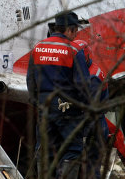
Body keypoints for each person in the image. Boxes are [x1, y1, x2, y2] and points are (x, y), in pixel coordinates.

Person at [26, 11, 93, 179]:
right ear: (69, 30)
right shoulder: (73, 50)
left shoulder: (38, 48)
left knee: (45, 150)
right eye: (75, 30)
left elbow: (30, 81)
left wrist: (38, 102)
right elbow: (83, 85)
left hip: (45, 108)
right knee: (72, 151)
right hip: (69, 111)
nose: (76, 34)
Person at [74, 39, 109, 179]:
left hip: (95, 125)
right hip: (97, 123)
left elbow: (88, 107)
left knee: (91, 169)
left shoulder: (92, 77)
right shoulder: (92, 69)